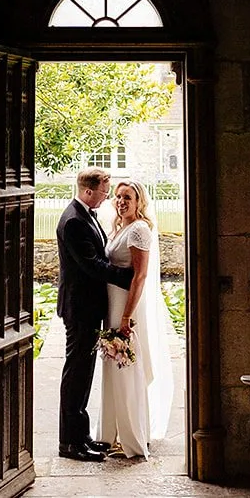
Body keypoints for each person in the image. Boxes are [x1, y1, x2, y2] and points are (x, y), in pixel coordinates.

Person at [56, 167, 134, 462]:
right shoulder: (74, 221)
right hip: (80, 308)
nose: (107, 198)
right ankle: (69, 444)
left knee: (83, 373)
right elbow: (93, 265)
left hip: (87, 306)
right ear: (88, 191)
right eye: (104, 192)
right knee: (76, 374)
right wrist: (129, 277)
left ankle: (82, 436)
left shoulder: (85, 214)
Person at [97, 179, 174, 459]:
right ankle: (112, 434)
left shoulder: (139, 229)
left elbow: (139, 276)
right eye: (118, 197)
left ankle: (130, 438)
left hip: (125, 308)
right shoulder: (121, 227)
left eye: (127, 197)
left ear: (139, 201)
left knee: (126, 368)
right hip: (113, 306)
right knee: (114, 368)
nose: (121, 201)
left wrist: (127, 315)